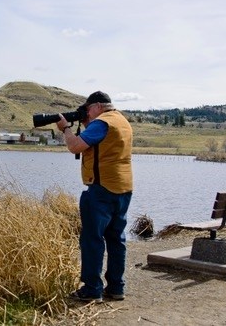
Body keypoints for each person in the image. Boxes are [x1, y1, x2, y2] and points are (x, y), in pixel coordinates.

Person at [56, 90, 133, 303]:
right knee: (117, 239)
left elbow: (75, 146)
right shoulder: (122, 121)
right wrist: (86, 123)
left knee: (92, 239)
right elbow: (102, 142)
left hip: (101, 189)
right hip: (124, 187)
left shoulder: (102, 123)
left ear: (98, 106)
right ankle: (116, 288)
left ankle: (92, 289)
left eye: (88, 110)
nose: (87, 114)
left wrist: (66, 129)